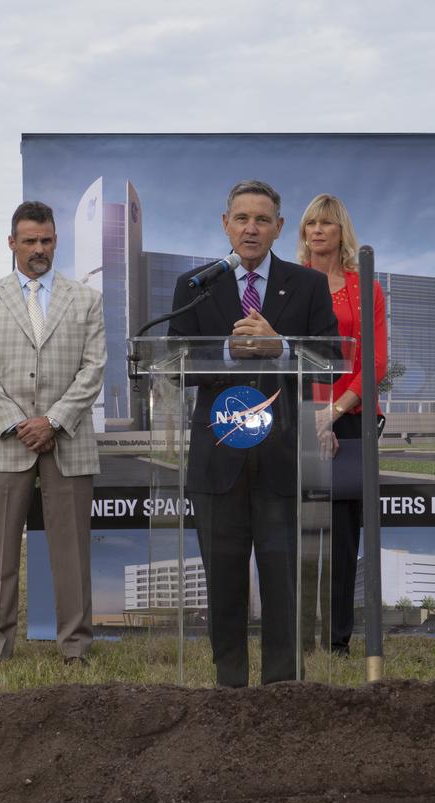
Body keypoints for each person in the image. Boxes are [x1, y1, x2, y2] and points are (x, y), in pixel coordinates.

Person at [168, 180, 338, 687]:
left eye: (262, 219)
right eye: (241, 218)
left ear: (279, 229)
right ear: (225, 224)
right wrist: (228, 352)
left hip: (282, 458)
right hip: (217, 460)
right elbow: (175, 363)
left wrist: (279, 346)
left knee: (283, 580)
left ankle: (282, 692)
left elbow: (330, 360)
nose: (250, 228)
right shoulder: (196, 285)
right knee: (223, 582)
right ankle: (229, 689)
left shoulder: (305, 285)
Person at [0, 201, 106, 666]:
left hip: (69, 439)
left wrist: (54, 421)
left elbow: (94, 369)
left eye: (46, 240)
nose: (38, 249)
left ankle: (75, 647)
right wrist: (19, 423)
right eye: (29, 241)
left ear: (56, 241)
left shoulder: (86, 299)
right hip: (7, 442)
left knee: (71, 554)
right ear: (12, 243)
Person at [297, 193, 388, 656]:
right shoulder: (289, 285)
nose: (317, 231)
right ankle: (297, 632)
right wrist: (312, 415)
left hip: (350, 420)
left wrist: (333, 412)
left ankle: (337, 640)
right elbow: (291, 356)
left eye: (326, 224)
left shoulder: (365, 287)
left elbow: (374, 361)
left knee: (343, 532)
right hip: (298, 416)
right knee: (296, 531)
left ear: (340, 232)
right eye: (310, 223)